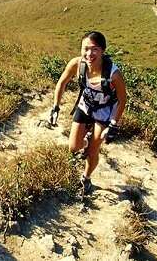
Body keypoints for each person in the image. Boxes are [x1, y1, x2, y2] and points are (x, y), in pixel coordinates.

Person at [49, 31, 127, 194]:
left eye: (94, 49)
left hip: (105, 110)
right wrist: (56, 105)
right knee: (73, 147)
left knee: (94, 149)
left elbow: (122, 99)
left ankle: (86, 177)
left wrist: (114, 123)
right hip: (85, 106)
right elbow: (62, 82)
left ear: (103, 50)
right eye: (85, 49)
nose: (89, 54)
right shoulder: (77, 64)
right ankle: (85, 143)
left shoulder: (113, 74)